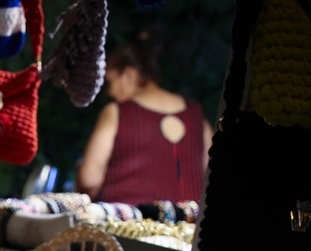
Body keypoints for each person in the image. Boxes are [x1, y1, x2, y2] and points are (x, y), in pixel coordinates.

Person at [76, 30, 213, 206]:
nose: (109, 92)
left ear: (129, 74)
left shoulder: (117, 111)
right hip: (186, 228)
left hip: (126, 225)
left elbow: (90, 180)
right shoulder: (196, 115)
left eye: (111, 82)